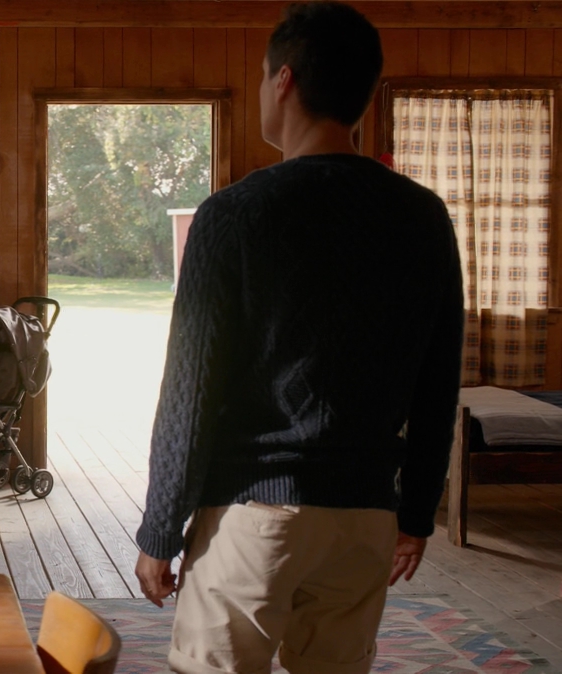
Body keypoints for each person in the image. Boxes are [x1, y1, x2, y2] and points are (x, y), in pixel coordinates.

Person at [133, 3, 464, 673]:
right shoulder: (424, 217)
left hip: (255, 516)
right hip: (365, 518)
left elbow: (190, 393)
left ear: (283, 80)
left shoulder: (233, 216)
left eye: (263, 77)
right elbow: (439, 382)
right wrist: (415, 515)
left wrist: (160, 530)